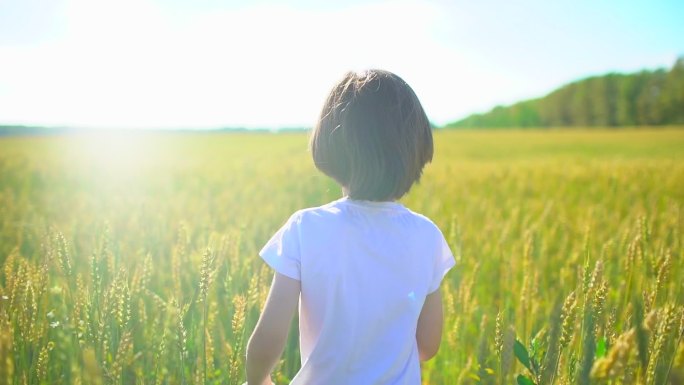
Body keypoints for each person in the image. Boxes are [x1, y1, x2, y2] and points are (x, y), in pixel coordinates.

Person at [245, 69, 455, 385]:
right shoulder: (427, 236)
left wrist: (258, 380)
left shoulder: (306, 228)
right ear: (416, 150)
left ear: (330, 146)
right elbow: (428, 344)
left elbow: (270, 335)